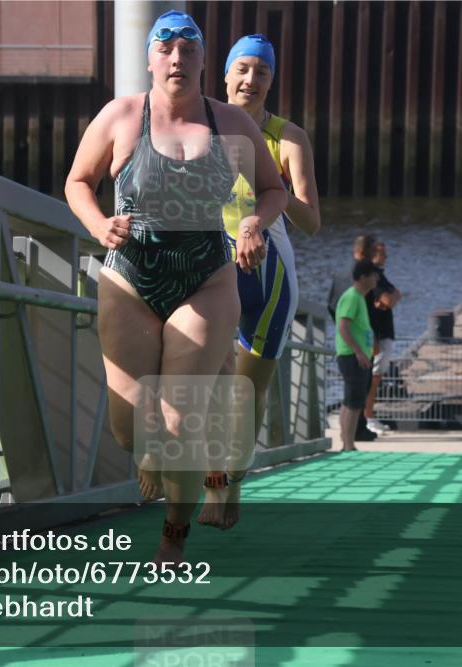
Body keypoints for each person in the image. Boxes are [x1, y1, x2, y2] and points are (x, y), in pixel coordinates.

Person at [64, 10, 287, 564]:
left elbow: (273, 189)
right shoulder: (119, 116)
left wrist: (256, 222)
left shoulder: (233, 124)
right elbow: (77, 182)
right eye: (165, 48)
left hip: (206, 277)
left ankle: (174, 534)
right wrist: (97, 225)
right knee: (129, 427)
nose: (177, 59)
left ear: (204, 61)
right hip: (130, 277)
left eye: (189, 49)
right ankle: (149, 456)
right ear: (150, 59)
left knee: (180, 418)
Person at [196, 34, 320, 531]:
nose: (250, 80)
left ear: (272, 80)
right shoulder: (199, 124)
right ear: (224, 75)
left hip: (269, 277)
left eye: (262, 72)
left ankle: (234, 486)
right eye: (242, 69)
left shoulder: (288, 137)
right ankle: (213, 491)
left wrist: (274, 188)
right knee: (207, 386)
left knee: (246, 396)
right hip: (210, 267)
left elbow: (311, 222)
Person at [326, 234, 378, 441]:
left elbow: (331, 307)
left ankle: (350, 440)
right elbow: (342, 323)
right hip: (352, 354)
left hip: (357, 352)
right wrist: (356, 349)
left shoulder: (356, 295)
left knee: (355, 400)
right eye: (374, 275)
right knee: (352, 401)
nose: (377, 279)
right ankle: (348, 442)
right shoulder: (352, 295)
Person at [364, 241, 402, 434]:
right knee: (373, 378)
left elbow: (397, 295)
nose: (386, 258)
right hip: (377, 335)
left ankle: (370, 415)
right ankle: (367, 418)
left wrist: (389, 299)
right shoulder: (372, 276)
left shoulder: (381, 274)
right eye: (382, 255)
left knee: (377, 378)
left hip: (386, 334)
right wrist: (388, 300)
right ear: (373, 255)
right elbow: (389, 299)